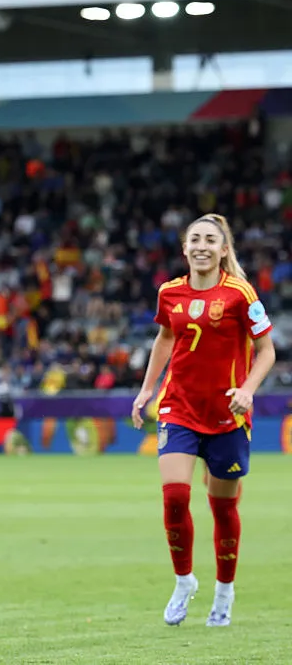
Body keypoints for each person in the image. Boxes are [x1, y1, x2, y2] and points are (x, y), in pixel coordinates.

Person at [132, 214, 275, 627]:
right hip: (178, 407)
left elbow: (266, 351)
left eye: (211, 240)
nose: (202, 245)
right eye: (194, 238)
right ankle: (183, 581)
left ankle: (225, 591)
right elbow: (165, 339)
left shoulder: (240, 294)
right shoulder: (169, 293)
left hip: (228, 414)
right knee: (175, 497)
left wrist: (247, 390)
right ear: (184, 248)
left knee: (223, 506)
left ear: (223, 250)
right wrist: (147, 389)